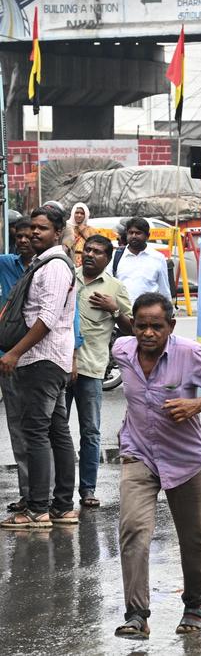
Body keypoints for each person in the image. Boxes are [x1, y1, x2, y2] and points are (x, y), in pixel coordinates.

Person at [110, 293, 201, 639]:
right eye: (141, 325)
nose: (148, 333)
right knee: (133, 529)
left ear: (170, 326)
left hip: (184, 459)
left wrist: (196, 405)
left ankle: (194, 606)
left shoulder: (189, 353)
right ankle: (136, 615)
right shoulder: (122, 351)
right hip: (138, 453)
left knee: (193, 538)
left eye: (156, 326)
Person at [0, 207, 79, 530]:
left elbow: (46, 318)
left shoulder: (55, 266)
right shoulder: (44, 262)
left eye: (42, 228)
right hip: (47, 359)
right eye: (32, 227)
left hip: (42, 360)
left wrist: (14, 353)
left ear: (57, 233)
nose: (34, 232)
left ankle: (37, 510)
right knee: (56, 431)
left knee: (36, 433)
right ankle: (61, 507)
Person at [69, 234, 133, 509]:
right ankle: (54, 491)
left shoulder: (115, 288)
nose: (90, 255)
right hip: (60, 367)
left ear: (107, 259)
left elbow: (133, 328)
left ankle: (88, 490)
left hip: (91, 370)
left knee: (91, 432)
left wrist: (114, 309)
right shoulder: (67, 276)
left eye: (97, 252)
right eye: (87, 250)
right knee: (53, 431)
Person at [0, 218, 34, 513]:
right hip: (8, 358)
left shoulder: (50, 267)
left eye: (28, 235)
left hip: (41, 359)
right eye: (18, 236)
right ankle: (28, 494)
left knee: (44, 429)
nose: (23, 240)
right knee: (18, 429)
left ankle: (50, 496)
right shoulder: (5, 264)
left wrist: (74, 354)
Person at [110, 216, 171, 301]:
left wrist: (168, 307)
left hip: (148, 308)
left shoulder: (158, 258)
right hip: (121, 307)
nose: (134, 236)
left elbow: (164, 290)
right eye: (131, 233)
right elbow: (108, 285)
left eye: (138, 233)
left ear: (147, 236)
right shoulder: (115, 256)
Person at [64, 202, 97, 267]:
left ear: (86, 215)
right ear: (73, 213)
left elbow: (95, 244)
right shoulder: (66, 228)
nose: (79, 215)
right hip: (69, 260)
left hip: (86, 261)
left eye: (82, 213)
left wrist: (83, 231)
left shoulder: (91, 230)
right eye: (77, 213)